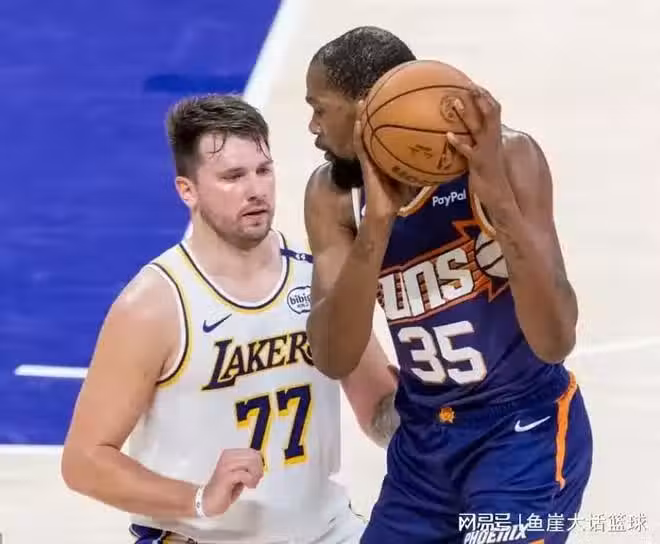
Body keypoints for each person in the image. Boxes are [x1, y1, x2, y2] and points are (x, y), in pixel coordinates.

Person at [61, 94, 398, 544]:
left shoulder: (317, 279)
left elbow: (380, 412)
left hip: (328, 532)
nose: (255, 189)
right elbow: (84, 461)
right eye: (233, 177)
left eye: (263, 170)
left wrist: (451, 401)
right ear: (187, 190)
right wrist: (199, 499)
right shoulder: (155, 304)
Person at [303, 26, 593, 544]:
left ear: (371, 108)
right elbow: (332, 355)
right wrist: (376, 228)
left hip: (522, 432)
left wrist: (498, 201)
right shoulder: (333, 195)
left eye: (320, 109)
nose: (313, 127)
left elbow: (556, 340)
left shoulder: (508, 157)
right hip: (423, 444)